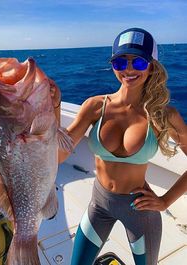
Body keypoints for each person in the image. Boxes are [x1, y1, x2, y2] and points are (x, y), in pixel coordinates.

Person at [50, 27, 187, 265]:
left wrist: (165, 201)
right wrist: (54, 108)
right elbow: (58, 156)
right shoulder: (95, 106)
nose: (129, 69)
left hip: (140, 211)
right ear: (113, 65)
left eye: (139, 63)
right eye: (120, 62)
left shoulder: (164, 115)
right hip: (99, 204)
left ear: (152, 66)